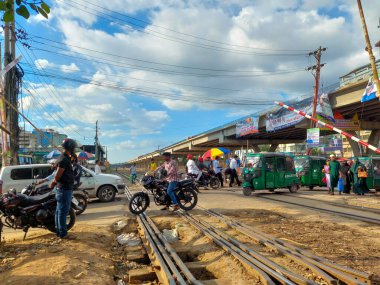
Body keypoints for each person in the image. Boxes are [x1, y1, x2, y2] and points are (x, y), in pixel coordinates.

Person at [49, 138, 76, 239]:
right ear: (70, 148)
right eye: (73, 148)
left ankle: (59, 231)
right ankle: (63, 234)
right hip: (64, 189)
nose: (74, 150)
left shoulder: (65, 158)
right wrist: (54, 181)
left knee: (59, 211)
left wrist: (73, 157)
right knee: (62, 212)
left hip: (63, 188)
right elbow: (58, 174)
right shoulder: (63, 159)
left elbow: (71, 163)